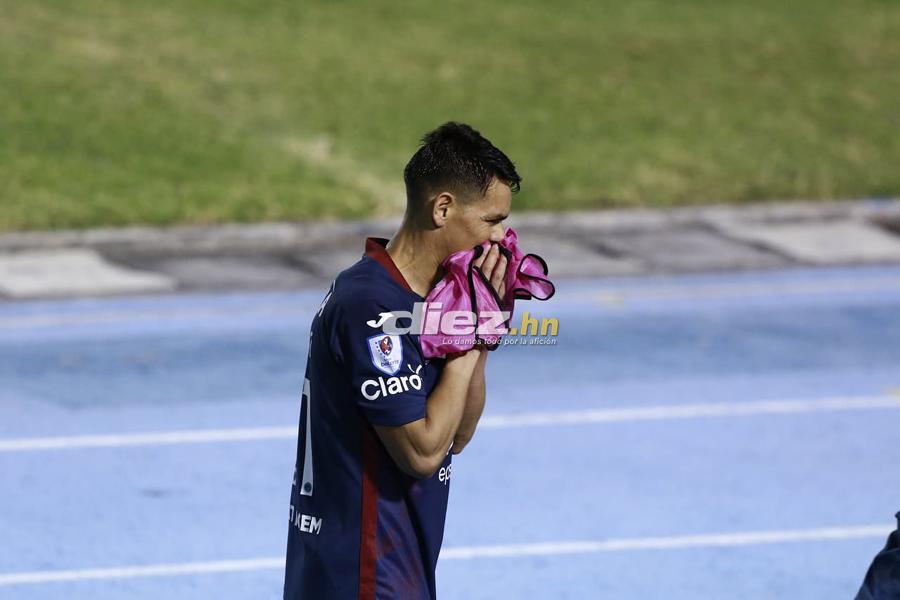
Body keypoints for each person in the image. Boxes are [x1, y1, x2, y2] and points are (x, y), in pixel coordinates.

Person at [283, 122, 522, 599]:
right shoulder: (372, 307)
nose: (501, 239)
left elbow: (457, 435)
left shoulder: (430, 300)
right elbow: (421, 453)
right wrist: (469, 330)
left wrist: (479, 335)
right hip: (363, 574)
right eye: (491, 220)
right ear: (443, 208)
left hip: (397, 566)